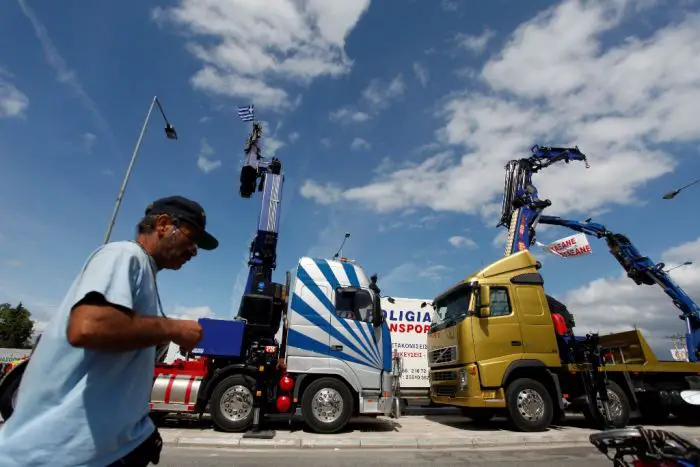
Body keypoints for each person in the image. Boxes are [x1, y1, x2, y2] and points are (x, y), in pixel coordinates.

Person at [0, 195, 219, 466]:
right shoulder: (124, 255)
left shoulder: (145, 273)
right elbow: (88, 326)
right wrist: (173, 328)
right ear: (163, 224)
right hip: (60, 457)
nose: (194, 251)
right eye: (192, 237)